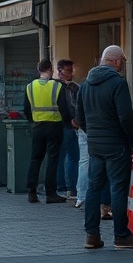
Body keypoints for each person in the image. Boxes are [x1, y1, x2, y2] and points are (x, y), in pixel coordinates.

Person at [76, 45, 133, 250]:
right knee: (118, 189)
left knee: (94, 189)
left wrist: (93, 134)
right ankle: (121, 235)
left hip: (95, 145)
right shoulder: (117, 83)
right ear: (118, 61)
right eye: (123, 62)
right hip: (116, 145)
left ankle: (91, 235)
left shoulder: (84, 85)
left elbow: (80, 118)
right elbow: (126, 117)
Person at [24, 59, 71, 204]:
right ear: (50, 69)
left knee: (35, 158)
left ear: (39, 70)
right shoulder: (57, 86)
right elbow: (64, 108)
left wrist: (34, 120)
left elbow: (26, 109)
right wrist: (69, 122)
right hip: (54, 126)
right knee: (52, 159)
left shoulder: (30, 87)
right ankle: (51, 193)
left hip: (38, 127)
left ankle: (32, 192)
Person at [55, 59, 80, 199]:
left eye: (72, 71)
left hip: (61, 125)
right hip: (67, 126)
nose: (71, 73)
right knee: (72, 157)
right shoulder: (62, 87)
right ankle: (71, 188)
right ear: (59, 71)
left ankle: (62, 186)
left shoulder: (74, 87)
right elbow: (67, 107)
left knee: (61, 157)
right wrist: (73, 122)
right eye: (68, 71)